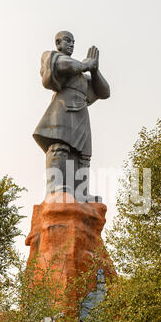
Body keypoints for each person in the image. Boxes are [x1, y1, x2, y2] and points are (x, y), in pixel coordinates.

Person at [33, 30, 110, 202]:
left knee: (83, 155)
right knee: (60, 147)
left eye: (73, 42)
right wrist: (86, 65)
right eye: (67, 41)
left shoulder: (82, 76)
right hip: (62, 109)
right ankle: (56, 187)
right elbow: (66, 65)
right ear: (58, 43)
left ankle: (81, 192)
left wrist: (94, 69)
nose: (71, 44)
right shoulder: (52, 57)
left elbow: (105, 92)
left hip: (81, 113)